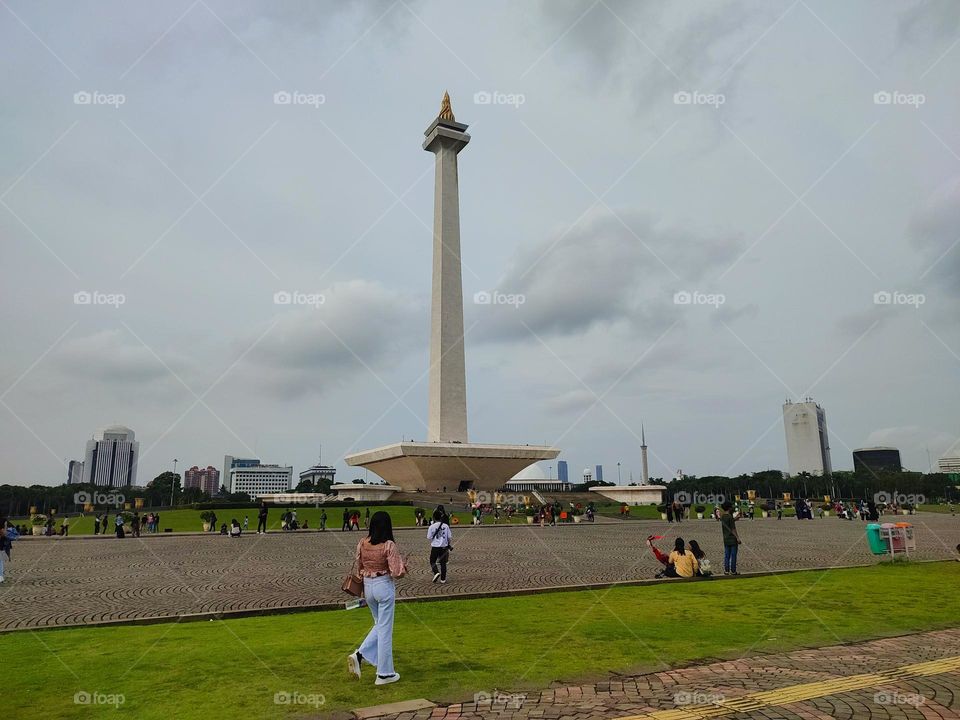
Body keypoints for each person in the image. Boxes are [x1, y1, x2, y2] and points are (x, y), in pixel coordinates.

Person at [347, 511, 407, 686]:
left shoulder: (362, 543)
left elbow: (359, 566)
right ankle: (384, 673)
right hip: (383, 586)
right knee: (385, 630)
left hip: (368, 586)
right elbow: (397, 572)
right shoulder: (388, 545)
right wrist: (404, 568)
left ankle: (359, 655)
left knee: (379, 625)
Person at [427, 508, 452, 583]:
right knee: (443, 563)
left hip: (435, 547)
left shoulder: (432, 526)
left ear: (434, 517)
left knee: (432, 561)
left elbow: (429, 537)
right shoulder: (446, 526)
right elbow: (449, 537)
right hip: (444, 547)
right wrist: (448, 544)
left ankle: (436, 572)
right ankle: (443, 579)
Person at [720, 501, 741, 575]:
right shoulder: (730, 517)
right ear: (729, 508)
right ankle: (733, 571)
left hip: (725, 538)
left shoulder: (723, 516)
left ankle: (726, 570)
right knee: (733, 555)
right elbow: (733, 529)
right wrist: (738, 538)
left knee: (727, 555)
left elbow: (728, 523)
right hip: (732, 539)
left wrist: (735, 519)